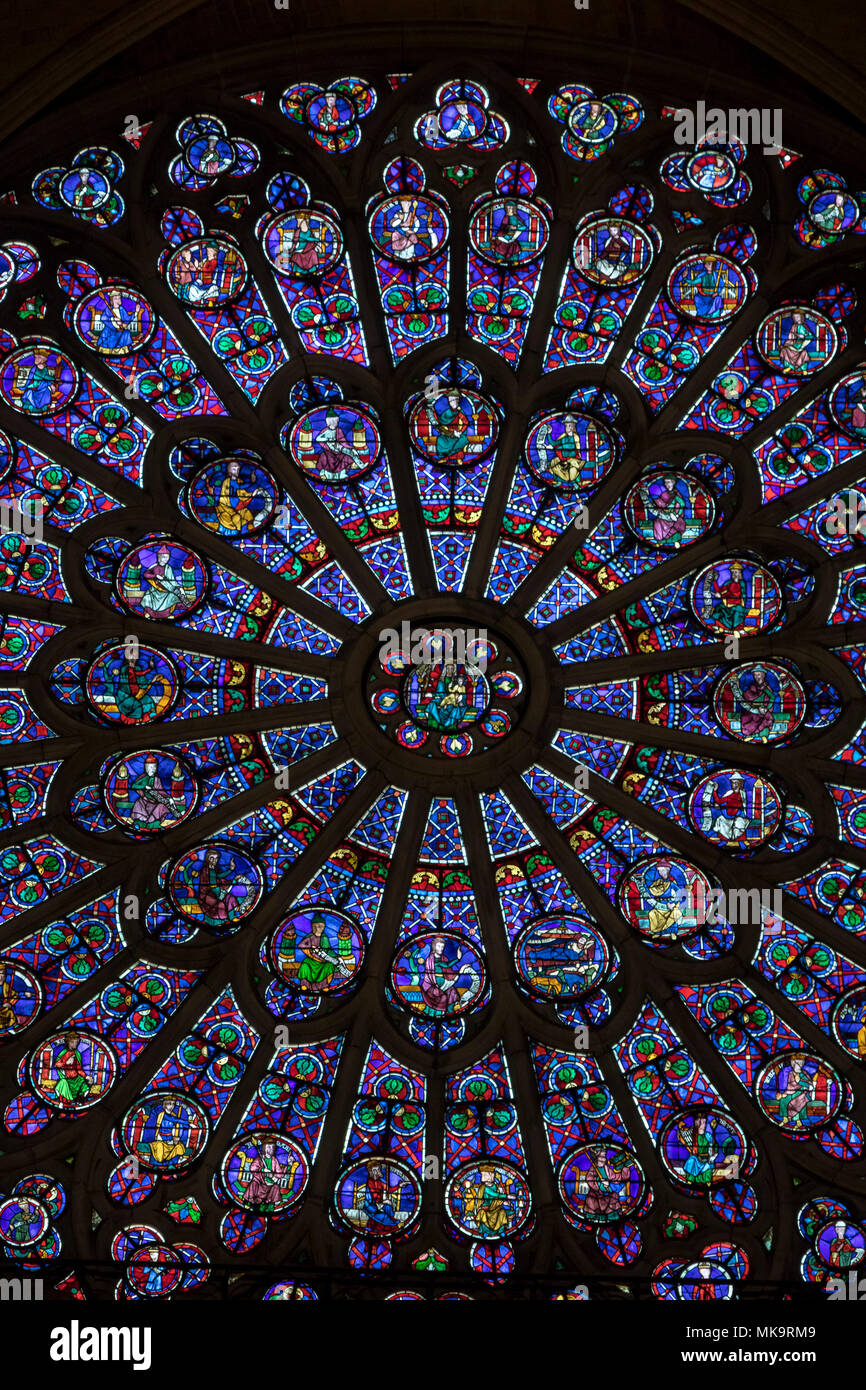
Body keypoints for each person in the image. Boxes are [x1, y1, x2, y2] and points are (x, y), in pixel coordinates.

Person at [641, 474, 687, 544]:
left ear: (673, 482)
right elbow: (659, 503)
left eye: (668, 482)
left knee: (674, 525)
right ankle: (661, 541)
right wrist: (649, 495)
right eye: (665, 482)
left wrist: (676, 515)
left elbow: (681, 505)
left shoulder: (677, 494)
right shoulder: (664, 494)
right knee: (658, 523)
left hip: (674, 517)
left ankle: (669, 540)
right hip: (663, 515)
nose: (666, 484)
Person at [52, 1030, 93, 1105]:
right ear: (68, 1042)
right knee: (60, 1085)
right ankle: (61, 1101)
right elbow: (57, 1064)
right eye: (73, 1042)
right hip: (67, 1079)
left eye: (77, 1042)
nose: (75, 1044)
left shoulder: (76, 1054)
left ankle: (80, 1099)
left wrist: (86, 1076)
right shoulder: (63, 1053)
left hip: (76, 1078)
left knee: (85, 1087)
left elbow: (79, 1068)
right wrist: (66, 1062)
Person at [92, 288, 137, 354]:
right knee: (114, 335)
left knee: (126, 333)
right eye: (116, 298)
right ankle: (112, 349)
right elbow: (103, 318)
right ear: (112, 300)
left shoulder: (122, 309)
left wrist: (136, 312)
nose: (118, 299)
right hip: (110, 330)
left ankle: (121, 350)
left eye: (119, 298)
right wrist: (112, 320)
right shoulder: (108, 309)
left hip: (120, 329)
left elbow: (127, 319)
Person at [709, 561, 747, 631]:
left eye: (736, 572)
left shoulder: (742, 583)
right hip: (727, 602)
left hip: (737, 603)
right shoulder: (728, 582)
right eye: (732, 572)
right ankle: (722, 628)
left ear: (740, 573)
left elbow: (737, 594)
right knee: (718, 609)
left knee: (737, 612)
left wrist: (721, 596)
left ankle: (735, 629)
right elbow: (720, 590)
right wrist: (714, 581)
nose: (734, 574)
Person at [0, 961, 19, 1031]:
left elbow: (15, 995)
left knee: (10, 1013)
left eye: (3, 974)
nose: (1, 977)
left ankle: (10, 1029)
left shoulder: (6, 986)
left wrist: (10, 1003)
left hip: (4, 1010)